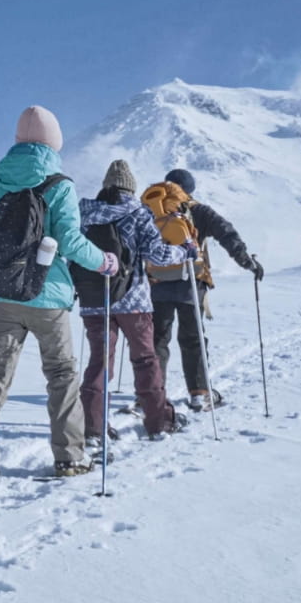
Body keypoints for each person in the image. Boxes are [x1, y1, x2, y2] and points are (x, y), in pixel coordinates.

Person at [0, 106, 118, 490]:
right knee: (61, 374)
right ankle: (70, 457)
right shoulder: (60, 184)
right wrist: (103, 262)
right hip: (45, 295)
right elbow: (70, 241)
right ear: (54, 143)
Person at [76, 160, 191, 443]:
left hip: (94, 300)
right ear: (131, 187)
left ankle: (93, 428)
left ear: (106, 185)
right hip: (133, 300)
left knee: (100, 362)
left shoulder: (85, 214)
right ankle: (159, 422)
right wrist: (184, 253)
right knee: (145, 360)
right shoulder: (138, 213)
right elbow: (157, 255)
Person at [148, 168, 263, 412]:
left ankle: (152, 394)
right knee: (192, 338)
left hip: (156, 283)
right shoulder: (198, 210)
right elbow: (226, 233)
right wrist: (248, 262)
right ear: (188, 190)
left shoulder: (151, 208)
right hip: (191, 283)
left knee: (158, 339)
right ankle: (199, 394)